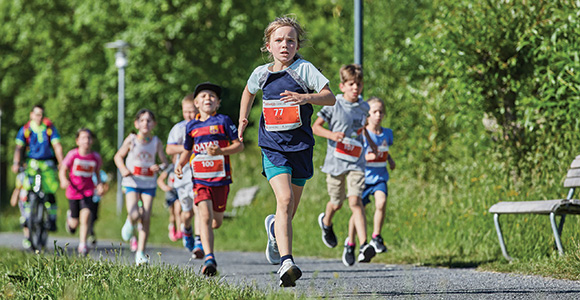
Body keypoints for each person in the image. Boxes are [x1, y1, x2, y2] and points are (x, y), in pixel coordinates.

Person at [238, 16, 336, 287]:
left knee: (289, 208)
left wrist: (305, 97)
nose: (285, 45)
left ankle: (273, 229)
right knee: (284, 201)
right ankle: (286, 262)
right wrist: (243, 118)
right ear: (268, 46)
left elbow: (330, 97)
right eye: (278, 40)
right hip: (273, 147)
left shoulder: (304, 70)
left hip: (301, 147)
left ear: (297, 44)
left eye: (290, 40)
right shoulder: (262, 73)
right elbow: (248, 92)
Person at [175, 82, 244, 276]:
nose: (208, 99)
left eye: (212, 96)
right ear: (196, 103)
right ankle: (209, 259)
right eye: (204, 96)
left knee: (215, 222)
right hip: (200, 180)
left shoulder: (224, 121)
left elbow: (239, 146)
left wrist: (221, 151)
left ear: (218, 103)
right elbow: (187, 150)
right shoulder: (192, 126)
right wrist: (180, 164)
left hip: (221, 179)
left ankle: (205, 241)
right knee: (204, 216)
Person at [313, 64, 378, 267]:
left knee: (355, 202)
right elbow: (315, 127)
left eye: (358, 84)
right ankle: (326, 222)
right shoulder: (334, 104)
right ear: (342, 86)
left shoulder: (364, 107)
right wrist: (332, 135)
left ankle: (365, 245)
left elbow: (362, 129)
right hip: (336, 162)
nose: (355, 88)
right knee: (337, 203)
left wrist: (372, 144)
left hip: (357, 161)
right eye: (351, 84)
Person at [114, 109, 170, 265]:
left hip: (149, 183)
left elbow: (165, 162)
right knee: (134, 213)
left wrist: (159, 167)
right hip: (132, 182)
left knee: (146, 216)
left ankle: (140, 252)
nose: (146, 123)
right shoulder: (131, 140)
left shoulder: (156, 142)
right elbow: (118, 156)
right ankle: (130, 222)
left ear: (154, 124)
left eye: (149, 120)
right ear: (136, 123)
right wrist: (124, 170)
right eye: (143, 120)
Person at [348, 96, 396, 255]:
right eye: (374, 112)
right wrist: (367, 158)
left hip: (380, 177)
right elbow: (356, 153)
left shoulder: (387, 133)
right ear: (367, 115)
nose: (378, 115)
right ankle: (351, 243)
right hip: (363, 178)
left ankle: (376, 236)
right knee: (358, 211)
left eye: (381, 112)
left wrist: (390, 160)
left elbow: (385, 150)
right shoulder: (362, 134)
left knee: (381, 203)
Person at [12, 105, 64, 235]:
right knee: (27, 189)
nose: (38, 117)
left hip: (47, 163)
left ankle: (51, 218)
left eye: (41, 114)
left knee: (50, 190)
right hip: (31, 163)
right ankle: (27, 216)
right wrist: (16, 163)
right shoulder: (26, 129)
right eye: (36, 114)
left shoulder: (49, 128)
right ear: (31, 115)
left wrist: (62, 163)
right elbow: (19, 148)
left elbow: (57, 146)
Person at [166, 93, 204, 258]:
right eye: (185, 112)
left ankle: (198, 241)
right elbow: (169, 149)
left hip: (200, 173)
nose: (189, 115)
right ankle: (186, 229)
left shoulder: (202, 125)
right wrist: (187, 148)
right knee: (187, 213)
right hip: (182, 176)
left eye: (192, 111)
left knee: (199, 209)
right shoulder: (179, 128)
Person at [58, 128, 104, 255]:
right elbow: (63, 169)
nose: (86, 141)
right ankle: (70, 220)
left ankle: (83, 245)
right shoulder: (73, 155)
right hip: (74, 191)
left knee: (86, 216)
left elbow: (97, 174)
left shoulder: (95, 157)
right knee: (74, 224)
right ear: (77, 141)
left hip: (88, 191)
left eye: (89, 138)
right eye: (83, 138)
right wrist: (63, 180)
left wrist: (99, 185)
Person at [156, 159, 183, 242]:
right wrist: (165, 187)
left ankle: (180, 231)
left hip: (179, 192)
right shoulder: (171, 167)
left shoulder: (184, 166)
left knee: (178, 211)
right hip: (170, 193)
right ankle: (172, 226)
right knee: (172, 214)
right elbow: (160, 179)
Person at [88, 169, 110, 247]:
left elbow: (106, 184)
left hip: (96, 199)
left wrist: (103, 192)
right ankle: (91, 233)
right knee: (87, 215)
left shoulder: (100, 172)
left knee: (94, 217)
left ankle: (90, 232)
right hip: (87, 198)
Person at [10, 170, 31, 249]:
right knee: (24, 219)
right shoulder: (21, 176)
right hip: (24, 201)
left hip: (33, 201)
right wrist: (14, 198)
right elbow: (17, 188)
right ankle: (27, 237)